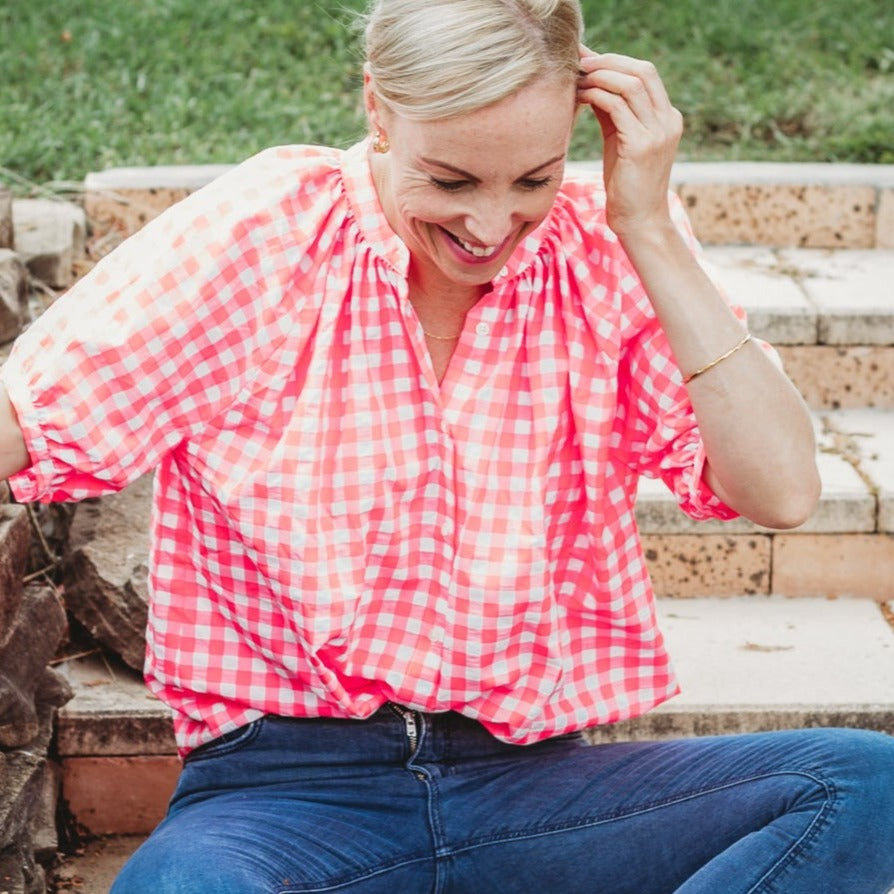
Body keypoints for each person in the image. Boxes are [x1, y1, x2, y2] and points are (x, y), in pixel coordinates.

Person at [2, 0, 893, 891]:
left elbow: (780, 491)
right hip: (281, 795)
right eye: (454, 181)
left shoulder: (600, 250)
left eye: (533, 182)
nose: (492, 226)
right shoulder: (265, 231)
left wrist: (650, 227)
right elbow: (30, 416)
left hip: (536, 786)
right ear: (378, 112)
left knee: (861, 785)